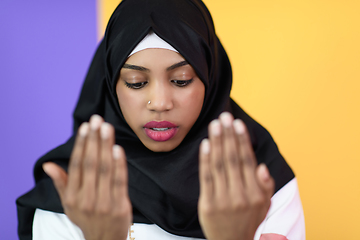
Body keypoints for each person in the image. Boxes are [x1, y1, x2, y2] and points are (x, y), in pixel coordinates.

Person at [16, 0, 305, 239]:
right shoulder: (74, 197)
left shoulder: (261, 185)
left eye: (181, 80)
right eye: (136, 82)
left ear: (210, 79)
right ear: (110, 86)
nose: (160, 104)